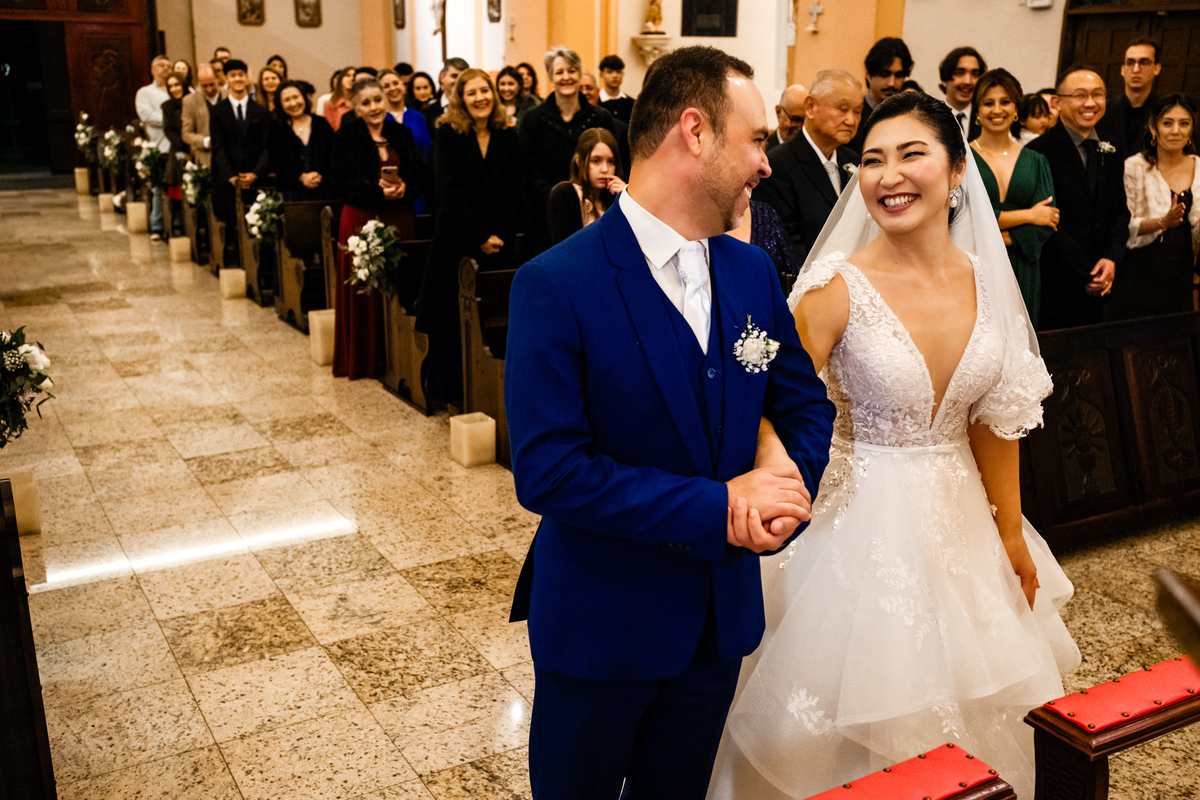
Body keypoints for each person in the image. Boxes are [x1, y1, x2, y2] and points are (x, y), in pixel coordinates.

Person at [709, 89, 1079, 800]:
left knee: (979, 702)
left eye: (912, 154)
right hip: (851, 520)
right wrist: (773, 478)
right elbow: (768, 405)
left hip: (959, 518)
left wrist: (1010, 534)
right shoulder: (834, 288)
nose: (888, 175)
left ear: (957, 167)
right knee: (847, 713)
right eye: (872, 160)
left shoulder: (985, 281)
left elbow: (996, 418)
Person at [504, 44, 836, 800]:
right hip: (600, 626)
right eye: (755, 139)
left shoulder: (748, 271)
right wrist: (723, 506)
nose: (767, 163)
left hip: (715, 624)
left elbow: (803, 403)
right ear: (695, 131)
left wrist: (786, 484)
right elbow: (551, 471)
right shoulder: (556, 285)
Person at [416, 68, 521, 407]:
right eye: (472, 93)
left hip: (499, 241)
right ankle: (454, 395)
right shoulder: (448, 134)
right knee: (450, 323)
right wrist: (479, 236)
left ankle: (492, 393)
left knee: (494, 318)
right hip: (457, 239)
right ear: (461, 99)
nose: (480, 98)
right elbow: (450, 191)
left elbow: (513, 191)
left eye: (485, 91)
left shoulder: (507, 134)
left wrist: (501, 235)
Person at [328, 78, 426, 380]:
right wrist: (378, 192)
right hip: (360, 218)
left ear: (386, 101)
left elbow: (422, 175)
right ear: (357, 107)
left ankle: (398, 355)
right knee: (364, 289)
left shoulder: (402, 132)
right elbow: (340, 182)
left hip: (400, 217)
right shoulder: (347, 136)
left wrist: (405, 188)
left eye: (377, 100)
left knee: (400, 284)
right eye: (366, 102)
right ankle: (366, 359)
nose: (373, 107)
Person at [1026, 66, 1129, 329]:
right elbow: (1047, 220)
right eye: (1080, 95)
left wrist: (1112, 258)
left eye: (1098, 95)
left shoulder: (1113, 147)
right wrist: (1086, 272)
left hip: (1105, 278)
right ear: (1058, 102)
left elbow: (1120, 211)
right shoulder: (1038, 151)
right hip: (1058, 280)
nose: (1090, 103)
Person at [970, 69, 1058, 327]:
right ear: (977, 111)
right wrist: (1029, 215)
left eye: (1005, 102)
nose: (997, 110)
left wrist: (998, 236)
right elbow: (961, 218)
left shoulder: (1037, 160)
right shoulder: (961, 160)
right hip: (975, 264)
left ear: (1016, 108)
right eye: (988, 103)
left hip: (1022, 266)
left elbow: (1047, 223)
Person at [1106, 94, 1200, 321]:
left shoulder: (1199, 166)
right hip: (1139, 269)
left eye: (1184, 123)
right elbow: (1122, 226)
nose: (1175, 130)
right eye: (1167, 123)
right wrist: (1162, 222)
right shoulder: (1135, 166)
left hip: (1181, 270)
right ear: (1154, 127)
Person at [518, 46, 620, 254]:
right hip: (543, 218)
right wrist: (562, 202)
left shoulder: (600, 117)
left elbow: (614, 162)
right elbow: (528, 172)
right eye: (559, 72)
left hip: (595, 215)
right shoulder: (533, 120)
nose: (566, 77)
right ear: (550, 77)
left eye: (572, 71)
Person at [754, 70, 862, 262]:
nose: (851, 120)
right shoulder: (778, 165)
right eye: (843, 109)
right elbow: (785, 247)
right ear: (811, 107)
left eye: (858, 111)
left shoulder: (854, 161)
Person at [210, 59, 272, 267]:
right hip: (229, 180)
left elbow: (267, 147)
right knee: (232, 225)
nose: (237, 79)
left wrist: (256, 173)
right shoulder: (218, 111)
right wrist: (230, 175)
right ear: (226, 80)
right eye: (232, 75)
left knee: (256, 225)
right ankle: (236, 266)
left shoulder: (261, 111)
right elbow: (217, 147)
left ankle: (258, 265)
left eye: (240, 74)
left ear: (247, 78)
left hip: (255, 179)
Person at [547, 127, 626, 244]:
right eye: (596, 161)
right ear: (579, 161)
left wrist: (627, 199)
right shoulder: (565, 194)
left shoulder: (615, 197)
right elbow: (566, 249)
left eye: (611, 161)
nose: (605, 169)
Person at [269, 81, 336, 201]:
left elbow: (334, 155)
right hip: (291, 194)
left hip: (324, 191)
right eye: (287, 100)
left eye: (296, 97)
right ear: (280, 104)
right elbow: (276, 162)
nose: (293, 103)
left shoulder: (321, 123)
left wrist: (320, 176)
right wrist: (301, 177)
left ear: (304, 98)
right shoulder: (276, 129)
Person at [1099, 37, 1162, 159]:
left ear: (1156, 68)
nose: (1136, 69)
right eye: (1130, 62)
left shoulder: (1164, 112)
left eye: (1144, 62)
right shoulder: (1102, 111)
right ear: (1123, 69)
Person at [848, 36, 913, 154]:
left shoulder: (908, 119)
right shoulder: (851, 117)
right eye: (884, 74)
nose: (891, 83)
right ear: (868, 74)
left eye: (899, 76)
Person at [136, 55, 172, 240]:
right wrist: (170, 121)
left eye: (168, 66)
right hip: (158, 146)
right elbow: (147, 115)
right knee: (158, 187)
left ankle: (175, 222)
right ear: (152, 69)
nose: (165, 69)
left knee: (175, 186)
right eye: (161, 65)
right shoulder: (145, 92)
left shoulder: (176, 89)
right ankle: (157, 225)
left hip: (176, 145)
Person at [379, 68, 431, 160]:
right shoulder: (379, 118)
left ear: (403, 87)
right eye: (386, 86)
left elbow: (427, 149)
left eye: (396, 83)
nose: (393, 88)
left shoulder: (417, 116)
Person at [161, 71, 189, 236]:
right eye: (170, 86)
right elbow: (169, 130)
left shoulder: (193, 101)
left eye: (177, 84)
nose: (174, 89)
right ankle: (178, 219)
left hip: (195, 148)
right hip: (178, 150)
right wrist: (183, 150)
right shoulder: (167, 106)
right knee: (176, 181)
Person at [939, 46, 986, 139]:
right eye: (959, 73)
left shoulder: (986, 119)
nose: (968, 81)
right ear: (945, 79)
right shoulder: (930, 118)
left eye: (975, 74)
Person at [182, 62, 223, 168]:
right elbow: (186, 133)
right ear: (198, 82)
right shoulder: (190, 101)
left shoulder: (228, 95)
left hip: (230, 158)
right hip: (206, 159)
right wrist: (205, 141)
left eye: (212, 84)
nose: (209, 89)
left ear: (217, 79)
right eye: (204, 86)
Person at [422, 57, 469, 134]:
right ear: (442, 77)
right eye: (454, 76)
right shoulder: (427, 112)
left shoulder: (472, 108)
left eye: (462, 77)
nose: (458, 81)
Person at [766, 85, 808, 153]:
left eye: (805, 121)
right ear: (778, 112)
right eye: (796, 119)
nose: (801, 127)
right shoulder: (764, 151)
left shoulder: (811, 152)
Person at [598, 54, 636, 123]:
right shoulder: (596, 101)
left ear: (623, 74)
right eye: (609, 72)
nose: (614, 76)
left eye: (618, 72)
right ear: (601, 74)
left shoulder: (632, 103)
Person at [324, 66, 357, 131]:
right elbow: (330, 130)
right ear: (341, 79)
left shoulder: (361, 102)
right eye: (348, 75)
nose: (352, 78)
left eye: (354, 76)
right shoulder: (330, 104)